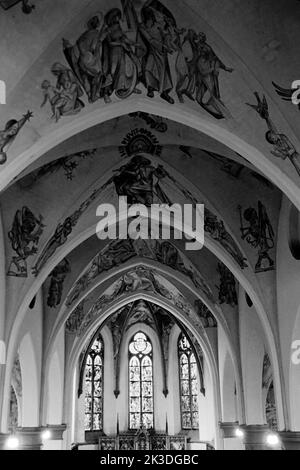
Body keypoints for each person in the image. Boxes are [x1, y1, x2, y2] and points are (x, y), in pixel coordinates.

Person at [63, 14, 112, 104]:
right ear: (97, 24)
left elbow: (77, 48)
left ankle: (90, 94)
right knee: (99, 74)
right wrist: (102, 37)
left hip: (81, 60)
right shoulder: (96, 33)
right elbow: (94, 46)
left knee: (85, 77)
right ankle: (95, 94)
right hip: (90, 59)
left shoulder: (83, 36)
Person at [102, 8, 142, 99]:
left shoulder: (118, 26)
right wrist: (120, 44)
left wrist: (133, 43)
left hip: (123, 50)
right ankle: (107, 92)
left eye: (118, 17)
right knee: (114, 70)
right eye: (117, 17)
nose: (118, 19)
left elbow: (124, 38)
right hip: (114, 52)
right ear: (112, 18)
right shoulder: (108, 30)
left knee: (128, 68)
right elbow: (109, 43)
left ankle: (129, 87)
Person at [138, 6, 175, 104]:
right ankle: (150, 87)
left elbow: (165, 34)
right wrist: (163, 47)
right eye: (148, 15)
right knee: (148, 69)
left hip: (161, 51)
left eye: (151, 15)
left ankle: (164, 92)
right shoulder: (142, 26)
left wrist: (167, 41)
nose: (150, 17)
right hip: (153, 49)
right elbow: (149, 39)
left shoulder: (158, 24)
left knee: (163, 72)